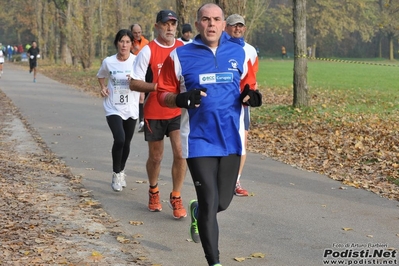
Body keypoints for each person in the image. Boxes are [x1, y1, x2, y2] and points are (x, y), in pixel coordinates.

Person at [156, 3, 262, 266]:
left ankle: (197, 211)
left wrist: (253, 96)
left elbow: (249, 86)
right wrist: (181, 98)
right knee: (209, 199)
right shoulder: (180, 56)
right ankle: (214, 261)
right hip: (198, 140)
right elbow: (162, 94)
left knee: (222, 203)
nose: (212, 24)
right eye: (206, 19)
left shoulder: (240, 53)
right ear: (197, 23)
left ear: (224, 24)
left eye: (216, 19)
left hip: (231, 140)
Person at [129, 10, 187, 219]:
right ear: (157, 26)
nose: (170, 27)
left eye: (173, 23)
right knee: (156, 157)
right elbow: (134, 83)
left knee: (181, 153)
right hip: (154, 111)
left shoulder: (183, 49)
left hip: (178, 110)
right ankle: (153, 190)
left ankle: (176, 195)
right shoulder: (148, 51)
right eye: (166, 24)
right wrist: (159, 87)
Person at [97, 29, 140, 192]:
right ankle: (116, 174)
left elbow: (144, 80)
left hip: (131, 106)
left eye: (127, 42)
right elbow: (100, 76)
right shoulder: (109, 62)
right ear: (117, 43)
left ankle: (121, 170)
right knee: (120, 139)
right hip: (113, 106)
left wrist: (135, 82)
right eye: (121, 41)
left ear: (131, 44)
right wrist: (102, 88)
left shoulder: (136, 61)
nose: (124, 45)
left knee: (127, 142)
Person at [225, 13, 259, 197]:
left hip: (241, 104)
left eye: (240, 26)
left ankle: (236, 181)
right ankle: (221, 178)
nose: (237, 29)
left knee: (242, 143)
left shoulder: (250, 50)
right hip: (223, 103)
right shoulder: (219, 48)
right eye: (233, 26)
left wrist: (251, 95)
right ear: (226, 27)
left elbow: (252, 79)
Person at [130, 23, 150, 133]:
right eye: (135, 33)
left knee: (143, 97)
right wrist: (132, 51)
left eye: (139, 32)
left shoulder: (146, 43)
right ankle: (132, 118)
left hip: (145, 72)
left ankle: (142, 121)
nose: (137, 35)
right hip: (132, 73)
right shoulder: (128, 42)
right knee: (135, 97)